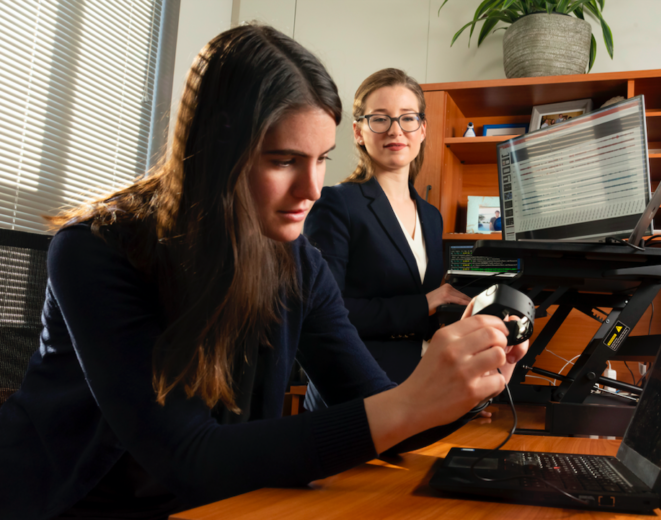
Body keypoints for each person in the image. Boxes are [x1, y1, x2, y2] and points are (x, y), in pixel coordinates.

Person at [0, 25, 528, 520]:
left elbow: (371, 403)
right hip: (81, 500)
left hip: (221, 497)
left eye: (321, 158)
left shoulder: (298, 262)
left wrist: (465, 385)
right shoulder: (97, 250)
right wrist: (410, 404)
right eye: (283, 161)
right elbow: (188, 457)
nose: (313, 189)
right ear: (212, 153)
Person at [303, 68, 471, 390]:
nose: (396, 131)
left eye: (407, 119)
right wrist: (425, 303)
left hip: (426, 382)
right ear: (358, 131)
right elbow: (323, 312)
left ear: (422, 129)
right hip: (358, 386)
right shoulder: (337, 204)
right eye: (380, 119)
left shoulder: (432, 217)